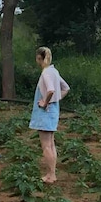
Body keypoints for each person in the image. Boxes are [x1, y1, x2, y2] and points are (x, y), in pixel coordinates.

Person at [29, 46, 69, 184]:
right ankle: (52, 173)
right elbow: (66, 88)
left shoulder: (46, 73)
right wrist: (55, 100)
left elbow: (51, 90)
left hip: (45, 112)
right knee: (51, 144)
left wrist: (46, 102)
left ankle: (51, 175)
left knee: (46, 145)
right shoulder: (54, 71)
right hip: (53, 111)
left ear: (39, 58)